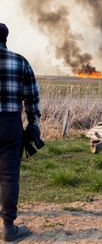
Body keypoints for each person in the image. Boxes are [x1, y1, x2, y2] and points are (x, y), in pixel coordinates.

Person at [0, 23, 40, 241]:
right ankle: (8, 228)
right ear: (6, 39)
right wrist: (33, 124)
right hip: (8, 124)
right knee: (8, 176)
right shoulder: (19, 61)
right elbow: (31, 99)